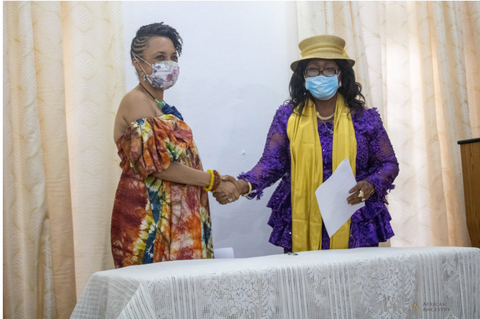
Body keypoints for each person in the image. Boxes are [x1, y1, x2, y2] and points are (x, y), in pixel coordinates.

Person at [214, 35, 399, 253]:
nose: (321, 75)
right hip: (301, 216)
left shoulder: (364, 118)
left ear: (341, 75)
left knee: (354, 285)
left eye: (329, 69)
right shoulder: (288, 116)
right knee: (308, 285)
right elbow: (272, 162)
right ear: (303, 76)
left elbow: (389, 164)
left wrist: (371, 184)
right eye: (313, 69)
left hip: (354, 218)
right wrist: (241, 185)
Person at [111, 22, 239, 268]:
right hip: (149, 219)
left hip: (176, 218)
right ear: (136, 62)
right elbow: (160, 167)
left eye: (173, 57)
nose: (168, 64)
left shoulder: (163, 108)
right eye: (159, 58)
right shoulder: (136, 100)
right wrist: (213, 181)